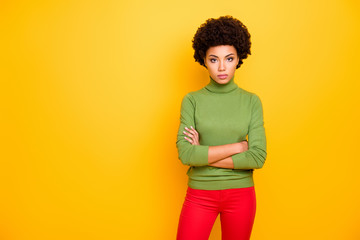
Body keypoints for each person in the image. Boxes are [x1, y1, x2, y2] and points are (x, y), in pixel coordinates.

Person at [175, 15, 267, 240]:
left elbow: (257, 158)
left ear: (239, 59)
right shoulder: (192, 100)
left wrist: (203, 155)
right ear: (204, 61)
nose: (222, 67)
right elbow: (186, 153)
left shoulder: (251, 101)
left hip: (241, 195)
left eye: (229, 58)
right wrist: (238, 146)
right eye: (214, 59)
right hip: (199, 194)